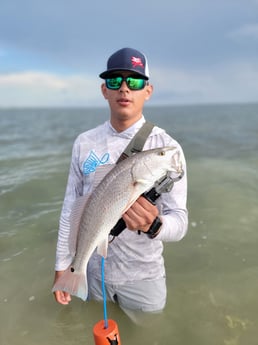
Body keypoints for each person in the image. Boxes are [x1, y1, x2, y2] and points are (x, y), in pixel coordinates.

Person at [53, 47, 188, 320]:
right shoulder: (84, 142)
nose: (124, 89)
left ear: (147, 91)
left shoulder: (167, 147)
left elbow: (180, 222)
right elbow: (71, 209)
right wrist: (63, 264)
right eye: (115, 80)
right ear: (105, 90)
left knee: (149, 336)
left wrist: (155, 225)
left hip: (142, 275)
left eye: (135, 82)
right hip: (91, 272)